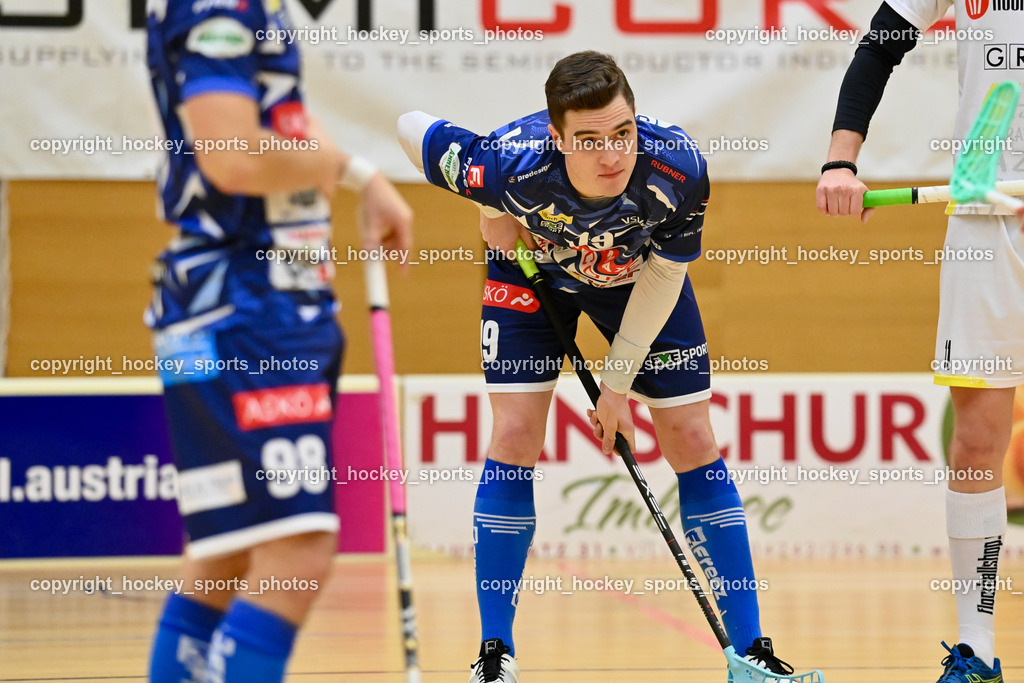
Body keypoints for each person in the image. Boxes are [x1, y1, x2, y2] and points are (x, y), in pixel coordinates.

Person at [399, 51, 799, 682]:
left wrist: (615, 388)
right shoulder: (507, 162)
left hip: (637, 282)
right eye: (588, 141)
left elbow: (668, 273)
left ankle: (751, 653)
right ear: (557, 138)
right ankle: (495, 653)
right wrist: (490, 206)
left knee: (693, 437)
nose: (612, 156)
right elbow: (408, 122)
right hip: (531, 279)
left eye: (623, 133)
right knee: (514, 435)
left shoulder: (678, 166)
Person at [144, 1, 412, 681]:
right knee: (299, 549)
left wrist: (358, 177)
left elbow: (279, 117)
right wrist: (336, 169)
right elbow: (231, 158)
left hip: (251, 304)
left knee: (225, 553)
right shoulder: (218, 8)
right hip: (245, 303)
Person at [816, 3, 1022, 681]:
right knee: (976, 440)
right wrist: (839, 161)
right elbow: (878, 48)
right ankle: (979, 646)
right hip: (987, 220)